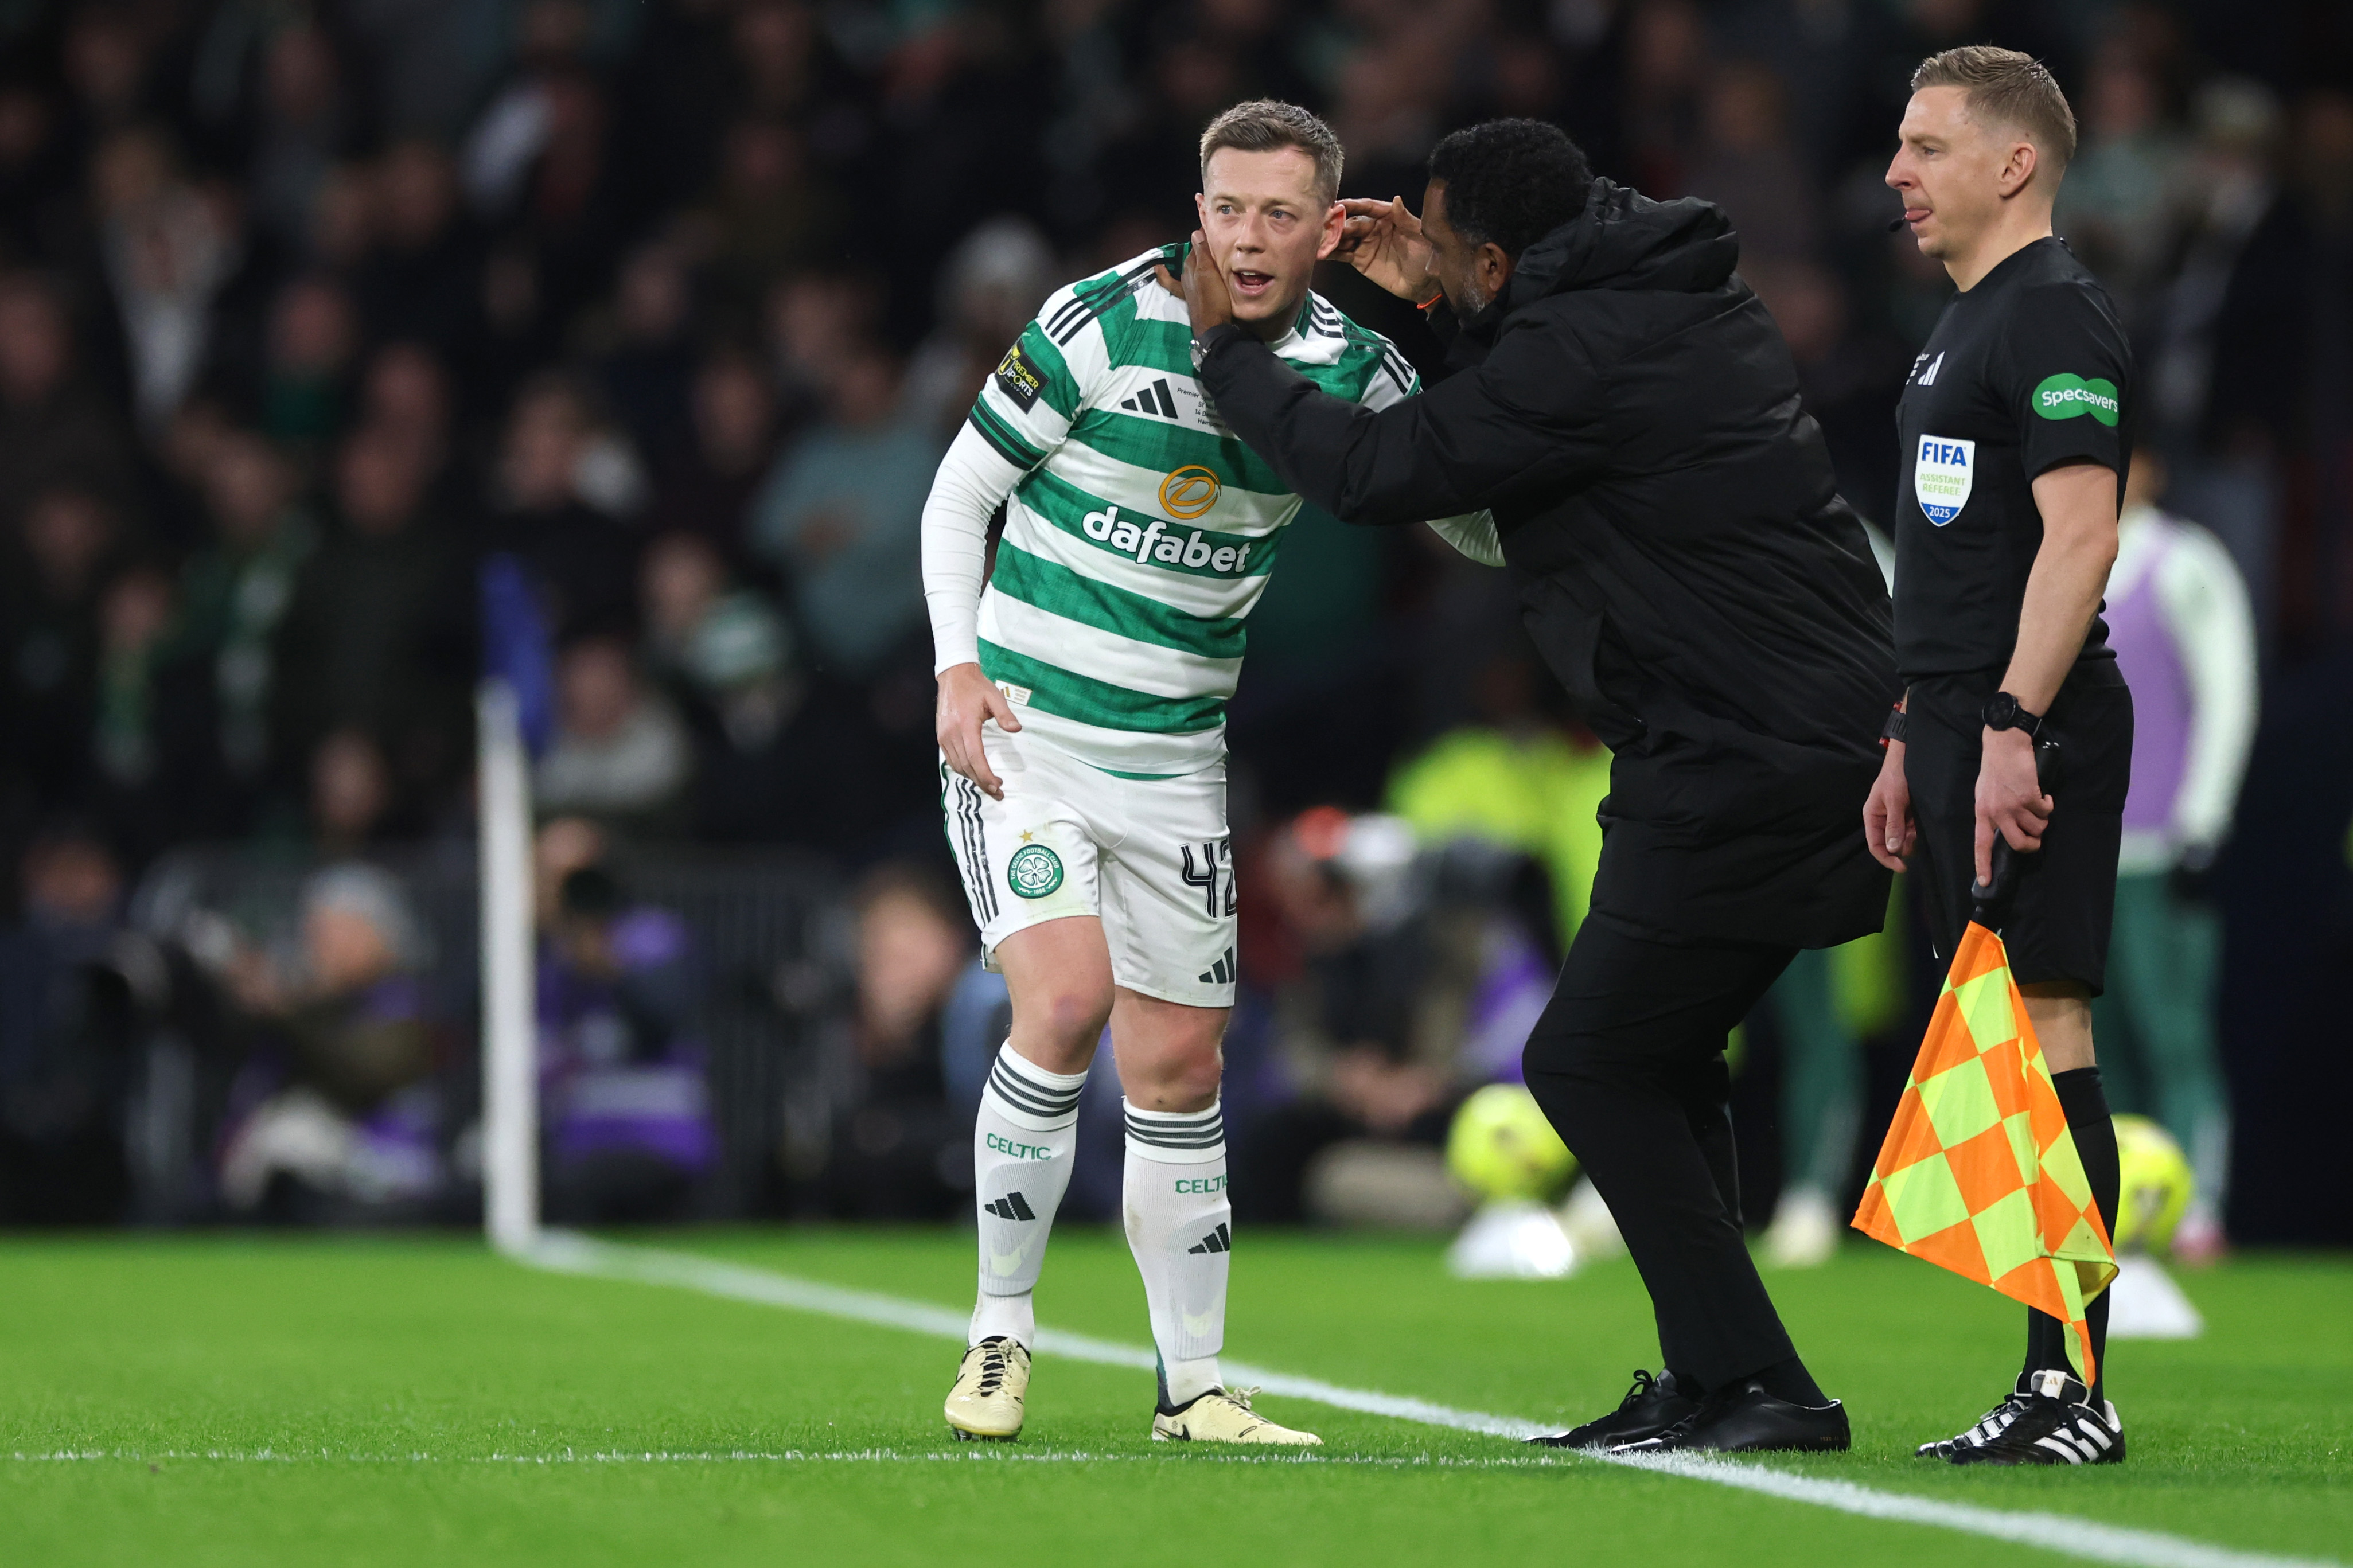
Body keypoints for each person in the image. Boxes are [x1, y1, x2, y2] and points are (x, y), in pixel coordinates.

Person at [1180, 116, 1897, 1453]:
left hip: (1755, 748)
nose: (1434, 272)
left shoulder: (1586, 343)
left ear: (1506, 259)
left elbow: (1380, 470)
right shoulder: (1656, 295)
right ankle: (1715, 1372)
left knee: (1586, 1061)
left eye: (1452, 256)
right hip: (1736, 735)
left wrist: (1228, 349)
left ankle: (1761, 1381)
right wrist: (1452, 298)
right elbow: (1537, 396)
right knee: (1660, 1058)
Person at [921, 99, 1495, 1447]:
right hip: (1029, 734)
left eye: (1278, 214)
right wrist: (956, 670)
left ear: (1327, 227)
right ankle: (997, 1339)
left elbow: (1473, 522)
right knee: (1061, 1005)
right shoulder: (1093, 322)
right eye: (1226, 208)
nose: (1247, 235)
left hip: (1175, 762)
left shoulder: (1351, 364)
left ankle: (1194, 1387)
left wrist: (1438, 319)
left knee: (1178, 1063)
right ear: (1198, 211)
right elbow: (959, 495)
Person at [1867, 46, 2137, 1466]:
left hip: (2028, 723)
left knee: (2043, 1034)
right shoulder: (1960, 325)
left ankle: (2072, 1387)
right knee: (2002, 1048)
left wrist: (2012, 728)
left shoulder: (2051, 314)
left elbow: (2080, 538)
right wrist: (1915, 729)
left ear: (2012, 162)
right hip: (1959, 716)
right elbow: (1959, 564)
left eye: (1924, 146)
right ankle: (2042, 1377)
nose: (1897, 173)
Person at [2094, 451, 2255, 1265]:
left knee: (2176, 1036)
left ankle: (2199, 1208)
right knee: (2099, 1046)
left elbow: (2228, 691)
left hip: (2165, 846)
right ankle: (2121, 1203)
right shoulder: (2061, 564)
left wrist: (2203, 820)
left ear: (2149, 471)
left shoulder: (2181, 563)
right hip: (2087, 855)